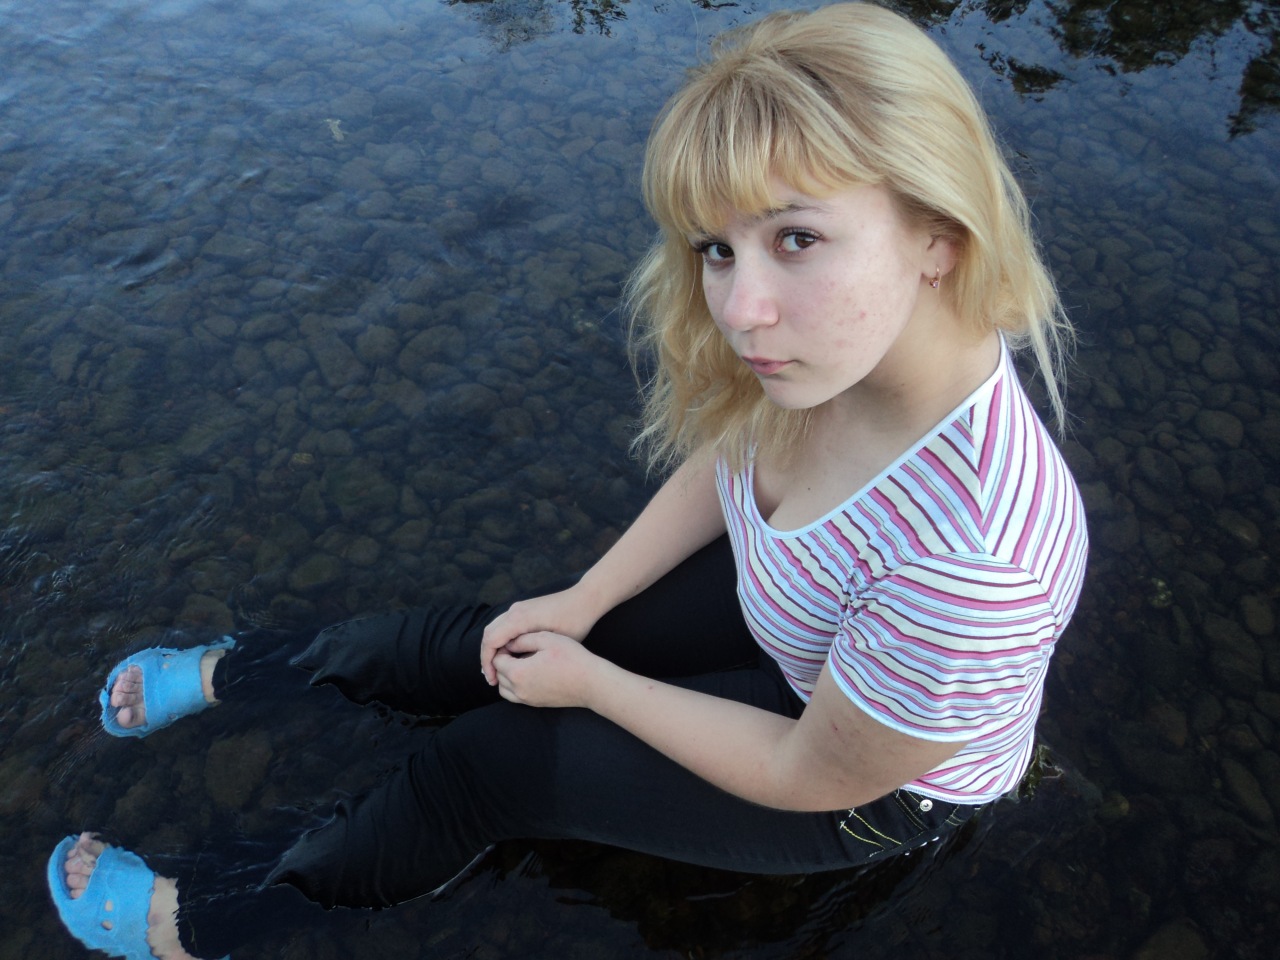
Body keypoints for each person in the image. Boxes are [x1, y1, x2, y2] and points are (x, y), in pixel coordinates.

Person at [49, 3, 1088, 957]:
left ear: (938, 238)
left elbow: (806, 770)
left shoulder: (972, 569)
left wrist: (595, 684)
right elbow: (732, 460)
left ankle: (213, 921)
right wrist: (584, 601)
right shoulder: (844, 345)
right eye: (717, 248)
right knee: (497, 641)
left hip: (851, 772)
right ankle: (250, 672)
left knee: (494, 765)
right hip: (811, 619)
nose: (739, 311)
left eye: (797, 237)